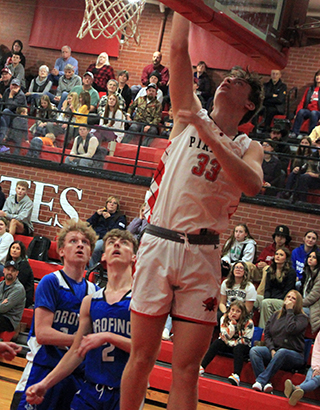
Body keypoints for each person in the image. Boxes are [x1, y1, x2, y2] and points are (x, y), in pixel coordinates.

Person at [119, 12, 264, 410]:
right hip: (159, 240)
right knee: (142, 355)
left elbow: (251, 184)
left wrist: (205, 129)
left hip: (203, 253)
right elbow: (179, 49)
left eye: (238, 82)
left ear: (249, 104)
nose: (227, 80)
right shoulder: (188, 112)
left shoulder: (249, 147)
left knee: (186, 369)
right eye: (227, 77)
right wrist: (183, 6)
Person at [25, 229, 138, 410]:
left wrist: (108, 337)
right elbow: (77, 351)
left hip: (125, 393)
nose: (117, 244)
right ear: (103, 257)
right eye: (111, 242)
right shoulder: (91, 301)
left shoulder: (140, 300)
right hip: (90, 392)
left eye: (124, 243)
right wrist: (44, 384)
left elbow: (146, 352)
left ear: (134, 257)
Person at [11, 219, 99, 410]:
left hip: (75, 376)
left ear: (91, 252)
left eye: (85, 242)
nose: (80, 245)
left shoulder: (95, 291)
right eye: (73, 241)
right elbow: (43, 334)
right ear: (61, 250)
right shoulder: (51, 282)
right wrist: (79, 341)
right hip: (42, 368)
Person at [250, 290, 308, 393]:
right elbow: (267, 334)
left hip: (294, 355)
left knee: (282, 352)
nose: (289, 300)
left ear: (298, 303)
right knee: (255, 351)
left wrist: (290, 311)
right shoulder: (276, 315)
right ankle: (266, 383)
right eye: (288, 297)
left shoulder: (302, 318)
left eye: (293, 298)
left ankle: (261, 380)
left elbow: (291, 329)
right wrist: (271, 349)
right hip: (276, 352)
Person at [200, 301, 254, 386]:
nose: (234, 313)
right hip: (229, 342)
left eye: (238, 311)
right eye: (232, 310)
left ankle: (236, 376)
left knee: (239, 347)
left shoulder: (249, 323)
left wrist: (230, 343)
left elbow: (245, 340)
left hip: (242, 347)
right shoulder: (224, 318)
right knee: (217, 342)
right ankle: (202, 367)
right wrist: (232, 325)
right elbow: (224, 336)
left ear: (242, 313)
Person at [256, 247, 296, 328]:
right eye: (276, 254)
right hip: (270, 298)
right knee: (256, 298)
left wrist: (268, 300)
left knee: (265, 303)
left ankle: (264, 330)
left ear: (286, 258)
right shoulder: (271, 270)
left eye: (281, 255)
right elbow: (267, 289)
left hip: (283, 300)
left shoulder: (291, 272)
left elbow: (287, 292)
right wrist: (266, 298)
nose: (277, 256)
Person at [87, 196, 127, 268]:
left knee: (95, 248)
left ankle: (91, 270)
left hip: (107, 240)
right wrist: (96, 215)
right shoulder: (101, 214)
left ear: (117, 207)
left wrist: (109, 219)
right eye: (110, 202)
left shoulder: (120, 217)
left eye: (114, 203)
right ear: (106, 204)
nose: (112, 204)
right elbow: (87, 224)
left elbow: (118, 232)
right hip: (95, 237)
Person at [284, 330, 320, 406]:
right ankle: (295, 393)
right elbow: (317, 352)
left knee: (317, 378)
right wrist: (317, 368)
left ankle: (296, 389)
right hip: (317, 365)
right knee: (311, 375)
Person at [290, 70, 320, 138]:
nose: (318, 77)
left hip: (317, 112)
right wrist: (297, 112)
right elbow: (302, 101)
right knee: (301, 112)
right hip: (309, 110)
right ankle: (295, 133)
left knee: (314, 113)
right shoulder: (309, 89)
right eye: (317, 75)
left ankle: (311, 135)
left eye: (319, 76)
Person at [0, 78, 27, 152]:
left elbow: (10, 107)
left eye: (16, 86)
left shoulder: (21, 95)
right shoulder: (7, 90)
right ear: (10, 85)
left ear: (19, 87)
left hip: (17, 117)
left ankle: (4, 135)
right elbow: (2, 103)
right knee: (4, 113)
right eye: (13, 85)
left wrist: (11, 95)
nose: (14, 87)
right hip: (7, 115)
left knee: (6, 111)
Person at [6, 240, 34, 308]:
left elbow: (18, 285)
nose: (14, 250)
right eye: (13, 248)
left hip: (22, 297)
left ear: (21, 252)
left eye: (17, 249)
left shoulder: (24, 265)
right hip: (11, 294)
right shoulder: (9, 263)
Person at [0, 260, 25, 332]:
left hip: (10, 320)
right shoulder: (1, 284)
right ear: (4, 270)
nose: (10, 272)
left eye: (13, 270)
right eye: (8, 269)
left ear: (17, 273)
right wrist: (2, 303)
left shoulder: (19, 289)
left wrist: (2, 304)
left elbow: (4, 308)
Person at [301, 250, 320, 334]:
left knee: (294, 311)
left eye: (314, 257)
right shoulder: (308, 272)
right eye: (309, 256)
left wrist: (297, 303)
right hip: (306, 304)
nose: (310, 259)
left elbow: (313, 297)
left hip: (315, 307)